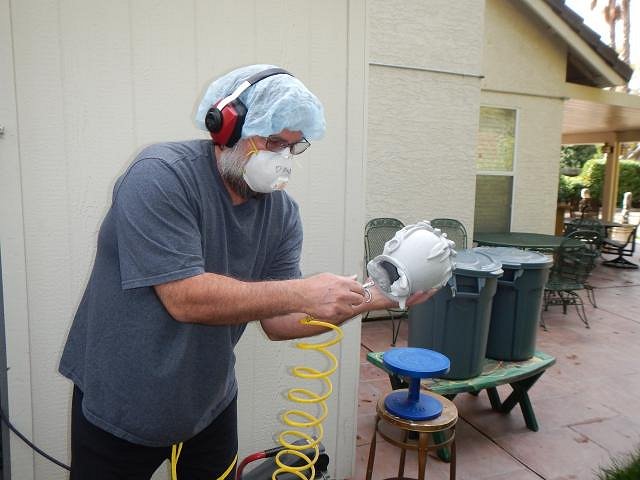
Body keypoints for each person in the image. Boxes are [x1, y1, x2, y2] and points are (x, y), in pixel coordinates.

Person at [58, 64, 433, 480]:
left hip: (208, 402)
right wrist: (303, 292)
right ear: (227, 129)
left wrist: (376, 297)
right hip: (121, 403)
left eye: (293, 146)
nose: (283, 158)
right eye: (273, 142)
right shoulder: (160, 176)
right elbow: (184, 298)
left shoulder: (282, 214)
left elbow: (279, 322)